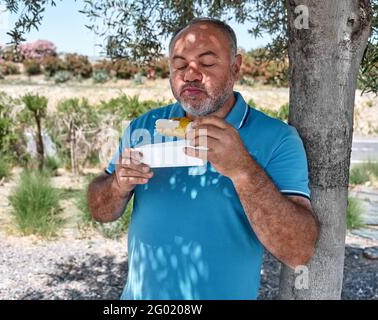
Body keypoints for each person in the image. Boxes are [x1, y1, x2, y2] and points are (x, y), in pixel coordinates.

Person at [87, 17, 319, 300]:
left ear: (235, 67)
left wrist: (243, 170)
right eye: (180, 64)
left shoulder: (278, 138)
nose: (191, 74)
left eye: (207, 63)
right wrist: (116, 186)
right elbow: (100, 212)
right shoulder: (143, 127)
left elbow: (298, 250)